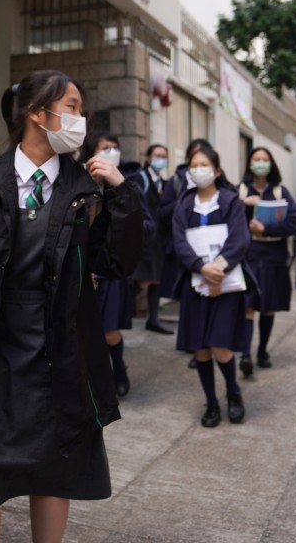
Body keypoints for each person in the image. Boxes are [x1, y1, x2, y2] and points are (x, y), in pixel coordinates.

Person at [0, 71, 142, 543]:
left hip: (60, 347)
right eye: (72, 107)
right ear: (38, 114)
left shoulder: (88, 188)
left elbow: (118, 261)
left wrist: (120, 192)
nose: (81, 118)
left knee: (56, 464)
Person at [172, 144, 251, 427]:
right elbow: (180, 242)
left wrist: (217, 270)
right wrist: (201, 268)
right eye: (193, 166)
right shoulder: (183, 205)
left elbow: (240, 239)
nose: (198, 170)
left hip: (226, 284)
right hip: (195, 283)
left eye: (204, 165)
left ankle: (233, 391)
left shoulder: (230, 201)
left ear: (216, 171)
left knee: (220, 345)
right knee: (200, 348)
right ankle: (212, 403)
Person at [79, 131, 140, 398]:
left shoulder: (126, 182)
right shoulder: (79, 181)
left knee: (110, 329)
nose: (111, 152)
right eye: (105, 148)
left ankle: (119, 371)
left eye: (115, 148)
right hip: (84, 271)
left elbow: (141, 223)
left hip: (108, 273)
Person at [237, 147, 296, 374]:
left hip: (274, 257)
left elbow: (294, 223)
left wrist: (266, 228)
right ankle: (245, 354)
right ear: (249, 163)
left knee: (269, 307)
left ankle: (262, 350)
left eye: (265, 159)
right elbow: (227, 221)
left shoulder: (281, 192)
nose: (261, 163)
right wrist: (242, 205)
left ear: (271, 164)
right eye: (256, 159)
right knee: (248, 306)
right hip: (249, 256)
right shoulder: (241, 191)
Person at [157, 138, 213, 369]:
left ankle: (205, 344)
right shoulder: (177, 181)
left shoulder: (218, 185)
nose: (200, 168)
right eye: (195, 160)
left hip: (211, 253)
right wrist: (183, 199)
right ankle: (194, 344)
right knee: (188, 298)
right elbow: (162, 212)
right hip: (183, 252)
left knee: (208, 299)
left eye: (205, 161)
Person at [133, 144, 174, 336]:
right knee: (139, 279)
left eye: (164, 156)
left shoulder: (165, 184)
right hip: (143, 236)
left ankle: (153, 319)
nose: (161, 159)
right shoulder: (141, 178)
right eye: (157, 155)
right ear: (148, 158)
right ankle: (122, 314)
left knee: (156, 279)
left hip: (158, 239)